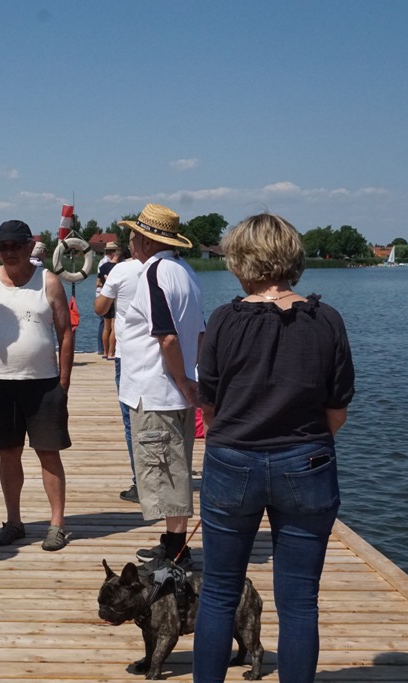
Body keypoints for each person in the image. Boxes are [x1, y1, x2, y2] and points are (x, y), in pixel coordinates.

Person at [192, 214, 355, 682]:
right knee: (300, 600)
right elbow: (336, 410)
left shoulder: (224, 320)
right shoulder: (326, 321)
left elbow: (211, 406)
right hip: (306, 463)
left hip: (231, 464)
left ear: (242, 260)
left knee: (220, 593)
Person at [0, 220, 74, 551]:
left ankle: (57, 524)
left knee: (48, 454)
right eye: (3, 246)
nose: (9, 252)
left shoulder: (49, 282)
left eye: (16, 245)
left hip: (43, 385)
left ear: (30, 247)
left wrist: (63, 383)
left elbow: (66, 333)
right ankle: (14, 521)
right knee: (8, 455)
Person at [118, 204, 204, 567]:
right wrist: (193, 379)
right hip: (174, 391)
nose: (131, 241)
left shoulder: (153, 274)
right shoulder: (185, 272)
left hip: (156, 391)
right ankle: (172, 542)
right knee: (174, 469)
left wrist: (182, 380)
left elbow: (165, 336)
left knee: (164, 472)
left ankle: (174, 556)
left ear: (146, 241)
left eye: (134, 236)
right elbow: (200, 333)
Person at [93, 243, 145, 503]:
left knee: (131, 420)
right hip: (162, 355)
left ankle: (141, 482)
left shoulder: (121, 271)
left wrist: (102, 289)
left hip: (129, 355)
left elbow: (100, 308)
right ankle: (163, 479)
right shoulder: (178, 270)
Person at [97, 242, 120, 358]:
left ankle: (105, 352)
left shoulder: (102, 267)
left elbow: (98, 283)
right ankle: (112, 352)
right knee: (114, 327)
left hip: (106, 297)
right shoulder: (120, 267)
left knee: (106, 327)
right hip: (115, 299)